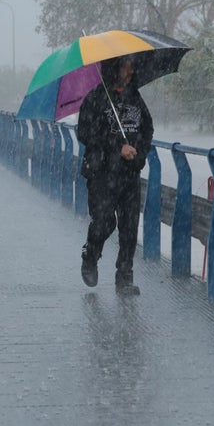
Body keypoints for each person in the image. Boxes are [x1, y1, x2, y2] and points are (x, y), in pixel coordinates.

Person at [77, 55, 154, 296]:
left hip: (129, 174)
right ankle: (91, 253)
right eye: (125, 66)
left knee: (129, 227)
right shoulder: (96, 98)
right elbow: (85, 132)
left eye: (132, 66)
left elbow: (147, 128)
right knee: (104, 222)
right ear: (113, 68)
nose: (130, 71)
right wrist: (116, 147)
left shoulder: (135, 97)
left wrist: (138, 154)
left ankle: (124, 278)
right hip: (102, 174)